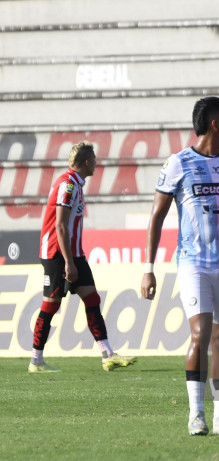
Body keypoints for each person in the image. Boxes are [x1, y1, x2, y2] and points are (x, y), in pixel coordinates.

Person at [140, 97, 219, 436]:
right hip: (194, 263)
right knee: (199, 335)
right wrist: (148, 267)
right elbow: (156, 217)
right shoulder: (179, 162)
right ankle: (196, 414)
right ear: (215, 124)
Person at [30, 141, 136, 374]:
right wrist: (68, 262)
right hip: (58, 254)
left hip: (74, 253)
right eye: (95, 160)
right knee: (51, 304)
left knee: (92, 298)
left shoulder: (75, 183)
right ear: (87, 162)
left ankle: (108, 355)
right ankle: (36, 360)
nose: (97, 164)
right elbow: (60, 225)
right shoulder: (68, 185)